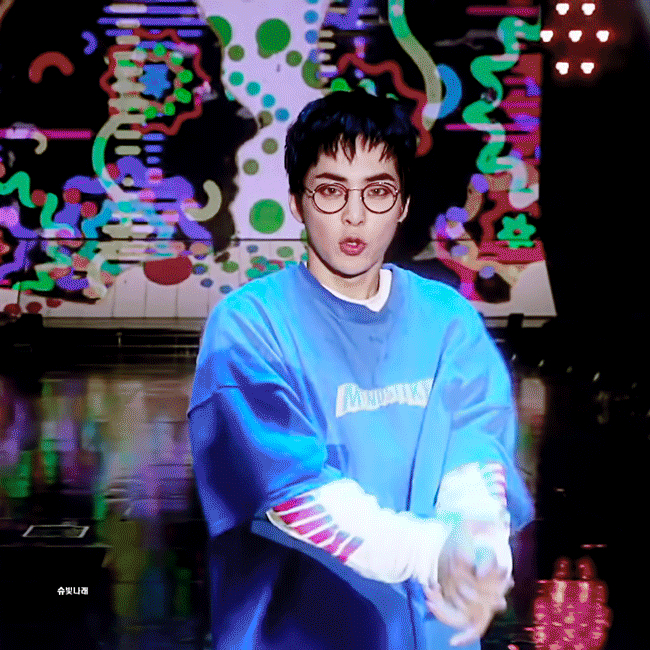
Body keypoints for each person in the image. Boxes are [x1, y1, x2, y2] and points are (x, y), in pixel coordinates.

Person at [189, 90, 534, 650]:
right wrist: (435, 551)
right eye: (331, 191)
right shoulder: (249, 328)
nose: (355, 216)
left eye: (377, 191)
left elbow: (477, 453)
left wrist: (478, 548)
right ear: (297, 202)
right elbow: (292, 494)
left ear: (402, 204)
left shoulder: (448, 320)